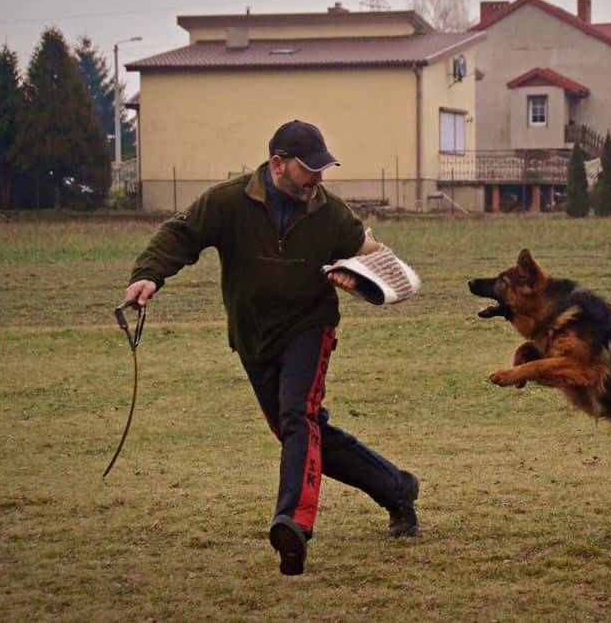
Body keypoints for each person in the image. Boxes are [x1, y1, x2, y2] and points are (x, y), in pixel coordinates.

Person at [123, 120, 419, 576]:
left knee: (297, 417)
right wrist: (148, 275)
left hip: (309, 327)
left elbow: (380, 262)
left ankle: (292, 525)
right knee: (301, 433)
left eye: (323, 168)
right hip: (253, 335)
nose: (318, 178)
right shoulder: (228, 202)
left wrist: (356, 277)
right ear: (277, 165)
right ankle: (395, 487)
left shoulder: (331, 213)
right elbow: (179, 235)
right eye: (309, 169)